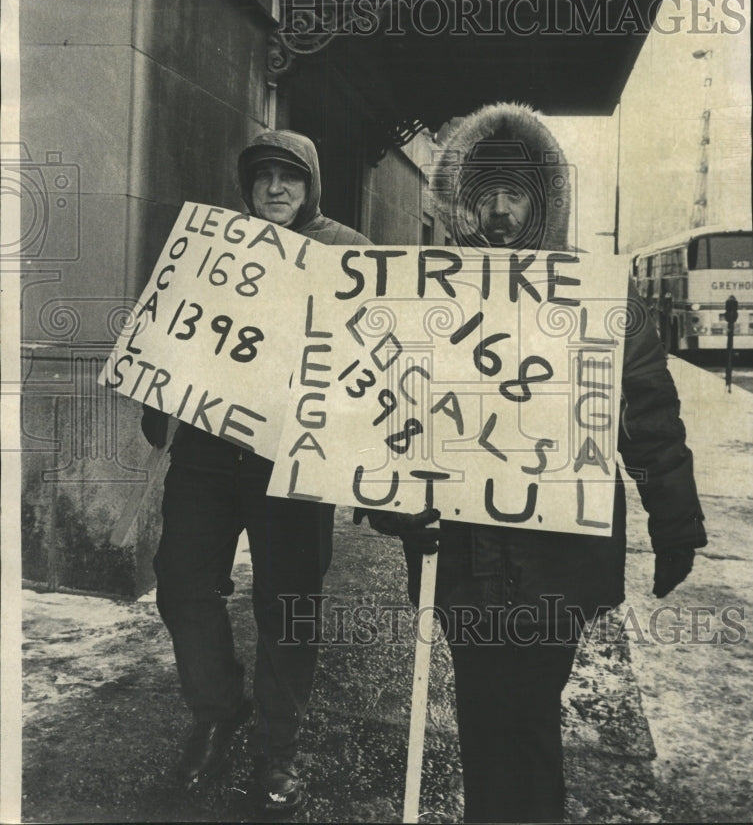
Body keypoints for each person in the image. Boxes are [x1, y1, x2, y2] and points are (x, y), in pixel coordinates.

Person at [358, 103, 707, 824]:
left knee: (529, 717)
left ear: (542, 203)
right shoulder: (429, 294)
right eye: (484, 194)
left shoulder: (596, 297)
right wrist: (396, 510)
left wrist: (674, 525)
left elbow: (648, 416)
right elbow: (384, 419)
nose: (498, 212)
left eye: (514, 194)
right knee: (485, 717)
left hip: (557, 559)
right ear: (462, 201)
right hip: (459, 557)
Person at [141, 130, 369, 811]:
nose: (274, 188)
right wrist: (158, 394)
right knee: (180, 581)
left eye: (289, 177)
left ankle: (278, 746)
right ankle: (217, 709)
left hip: (293, 456)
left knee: (288, 605)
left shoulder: (347, 251)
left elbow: (373, 355)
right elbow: (173, 328)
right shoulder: (215, 247)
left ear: (311, 186)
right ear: (247, 186)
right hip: (210, 448)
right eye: (262, 176)